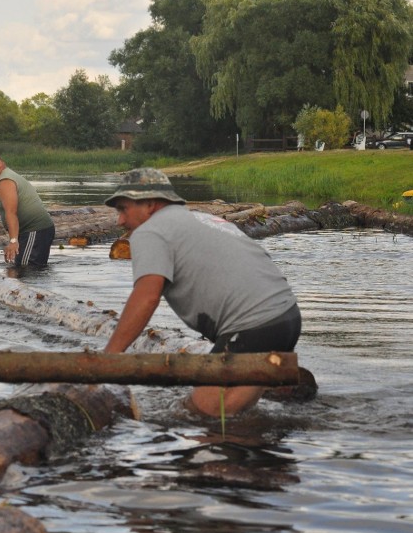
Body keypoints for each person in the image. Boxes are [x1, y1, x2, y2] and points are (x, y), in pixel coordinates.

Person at [102, 168, 301, 418]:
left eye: (123, 209)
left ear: (150, 204)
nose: (120, 220)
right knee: (235, 414)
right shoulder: (204, 220)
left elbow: (147, 297)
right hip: (287, 316)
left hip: (253, 325)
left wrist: (109, 357)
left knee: (204, 411)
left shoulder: (150, 231)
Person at [0, 152, 55, 267]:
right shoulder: (6, 177)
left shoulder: (5, 182)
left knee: (26, 270)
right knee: (30, 270)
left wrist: (13, 241)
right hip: (34, 231)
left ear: (0, 164)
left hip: (34, 231)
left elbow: (11, 212)